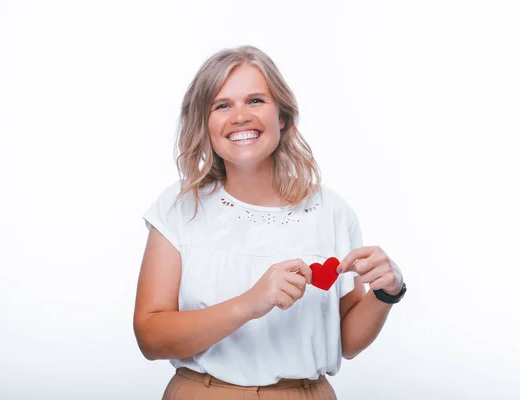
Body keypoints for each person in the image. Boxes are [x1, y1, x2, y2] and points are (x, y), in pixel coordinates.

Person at [133, 45, 406, 399]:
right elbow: (151, 339)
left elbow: (348, 343)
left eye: (256, 101)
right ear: (205, 123)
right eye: (222, 105)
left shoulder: (332, 211)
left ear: (282, 116)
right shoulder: (179, 207)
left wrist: (387, 292)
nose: (240, 116)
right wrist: (249, 303)